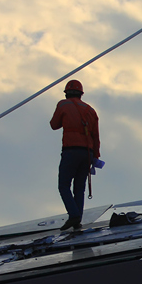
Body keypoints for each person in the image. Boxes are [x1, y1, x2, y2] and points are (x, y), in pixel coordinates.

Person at [50, 79, 101, 230]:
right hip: (87, 152)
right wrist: (95, 156)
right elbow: (96, 136)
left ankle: (74, 215)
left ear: (66, 93)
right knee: (79, 188)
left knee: (63, 185)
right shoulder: (90, 110)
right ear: (81, 94)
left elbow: (54, 125)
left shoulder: (63, 104)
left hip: (71, 150)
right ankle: (77, 219)